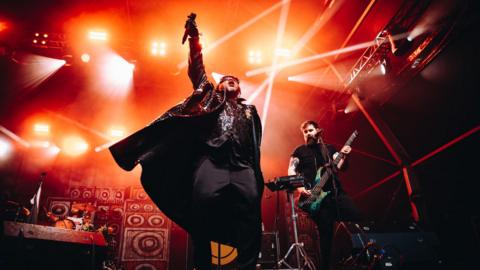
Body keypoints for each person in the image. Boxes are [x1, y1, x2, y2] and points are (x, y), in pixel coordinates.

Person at [109, 13, 264, 270]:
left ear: (240, 88)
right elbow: (197, 68)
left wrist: (255, 171)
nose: (230, 81)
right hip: (212, 162)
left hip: (243, 166)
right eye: (225, 79)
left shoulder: (251, 111)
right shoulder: (210, 98)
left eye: (234, 80)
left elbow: (255, 143)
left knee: (251, 215)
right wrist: (194, 37)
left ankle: (246, 267)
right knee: (201, 207)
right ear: (219, 86)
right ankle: (202, 265)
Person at [288, 120, 361, 270]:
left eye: (310, 130)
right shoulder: (299, 151)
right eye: (305, 132)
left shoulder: (328, 149)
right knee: (326, 236)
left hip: (335, 193)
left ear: (318, 131)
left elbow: (339, 165)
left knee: (356, 215)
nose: (308, 134)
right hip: (316, 199)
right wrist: (300, 188)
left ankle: (354, 256)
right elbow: (291, 171)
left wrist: (344, 155)